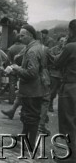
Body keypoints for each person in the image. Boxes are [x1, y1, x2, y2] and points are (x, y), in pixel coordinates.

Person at [10, 24, 48, 151]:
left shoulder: (32, 50)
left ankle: (30, 145)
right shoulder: (38, 47)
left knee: (31, 117)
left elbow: (32, 73)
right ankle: (24, 138)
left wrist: (16, 69)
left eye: (22, 35)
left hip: (32, 89)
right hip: (36, 88)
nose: (20, 38)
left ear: (30, 36)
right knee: (29, 115)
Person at [54, 19, 76, 162]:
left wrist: (64, 46)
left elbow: (57, 63)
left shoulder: (70, 46)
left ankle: (70, 157)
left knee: (68, 122)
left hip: (71, 87)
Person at [47, 35, 66, 112]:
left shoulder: (66, 49)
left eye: (64, 41)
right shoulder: (53, 49)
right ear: (58, 41)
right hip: (54, 73)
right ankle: (50, 104)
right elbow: (52, 61)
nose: (62, 42)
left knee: (62, 92)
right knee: (53, 91)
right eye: (61, 41)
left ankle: (61, 107)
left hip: (63, 74)